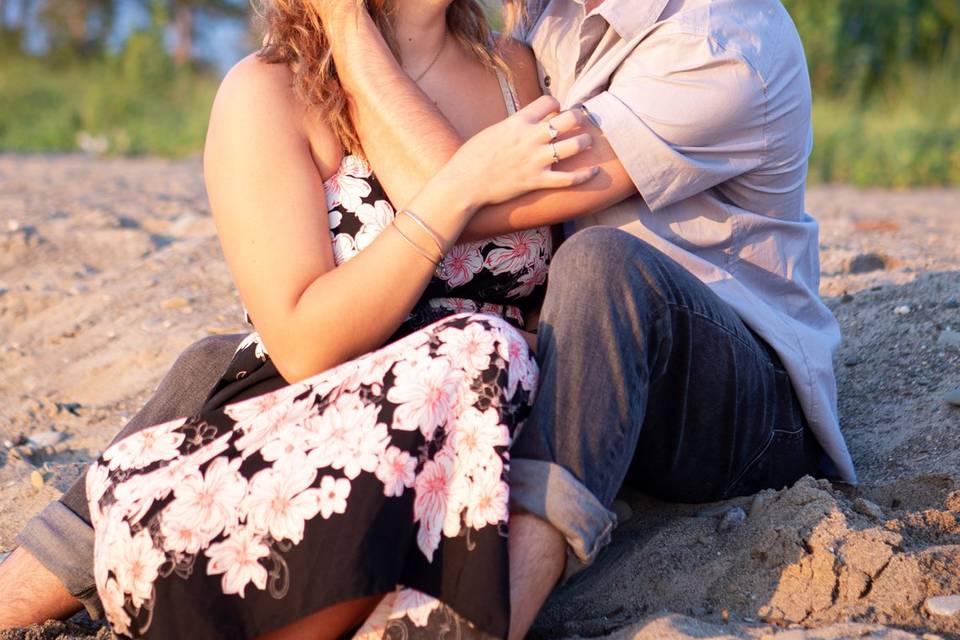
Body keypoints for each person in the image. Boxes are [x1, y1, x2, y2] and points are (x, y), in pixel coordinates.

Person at [0, 0, 858, 635]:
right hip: (434, 374)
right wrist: (343, 27)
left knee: (586, 279)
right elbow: (317, 326)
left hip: (711, 378)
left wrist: (357, 39)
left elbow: (484, 194)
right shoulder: (529, 30)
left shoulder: (710, 40)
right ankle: (22, 591)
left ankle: (493, 616)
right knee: (219, 360)